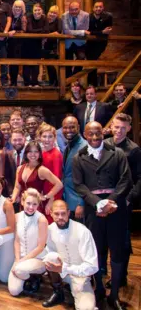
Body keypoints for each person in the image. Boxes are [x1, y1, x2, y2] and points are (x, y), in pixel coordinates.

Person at [72, 121, 132, 310]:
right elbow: (78, 184)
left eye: (98, 133)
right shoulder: (78, 157)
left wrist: (110, 201)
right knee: (95, 250)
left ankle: (114, 294)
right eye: (91, 134)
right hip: (93, 209)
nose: (95, 138)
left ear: (103, 133)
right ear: (85, 134)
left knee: (117, 250)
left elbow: (125, 179)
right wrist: (96, 202)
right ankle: (98, 290)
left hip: (116, 208)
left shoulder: (117, 153)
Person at [105, 114, 141, 290]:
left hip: (123, 201)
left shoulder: (134, 150)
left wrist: (129, 199)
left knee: (122, 241)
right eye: (116, 127)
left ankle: (121, 276)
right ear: (111, 126)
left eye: (122, 128)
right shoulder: (105, 144)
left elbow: (139, 178)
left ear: (128, 128)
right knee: (105, 237)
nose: (118, 131)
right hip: (105, 200)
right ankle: (103, 271)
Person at [42, 200, 98, 309]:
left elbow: (93, 266)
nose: (60, 217)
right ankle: (58, 291)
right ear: (51, 213)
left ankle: (76, 289)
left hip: (81, 276)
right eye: (57, 214)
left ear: (68, 213)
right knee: (50, 257)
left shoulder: (82, 231)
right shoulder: (50, 229)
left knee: (87, 308)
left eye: (63, 213)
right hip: (61, 274)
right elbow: (48, 251)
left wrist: (66, 269)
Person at [8, 188, 48, 296]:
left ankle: (35, 277)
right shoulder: (17, 216)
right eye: (28, 203)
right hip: (20, 258)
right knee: (14, 291)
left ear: (38, 205)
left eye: (34, 204)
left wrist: (21, 262)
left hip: (37, 258)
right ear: (22, 201)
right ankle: (27, 277)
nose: (31, 207)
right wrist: (17, 260)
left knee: (20, 270)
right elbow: (16, 240)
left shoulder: (42, 219)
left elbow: (40, 247)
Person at [11, 141, 63, 219]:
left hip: (37, 206)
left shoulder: (42, 170)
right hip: (23, 204)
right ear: (26, 153)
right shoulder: (19, 168)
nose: (33, 154)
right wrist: (13, 199)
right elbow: (17, 187)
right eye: (30, 152)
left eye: (36, 152)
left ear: (39, 154)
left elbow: (59, 184)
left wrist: (46, 197)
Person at [61, 116, 87, 221]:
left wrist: (81, 203)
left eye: (72, 127)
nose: (68, 130)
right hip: (68, 200)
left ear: (78, 127)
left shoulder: (84, 147)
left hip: (77, 202)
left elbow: (87, 178)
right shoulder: (69, 146)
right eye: (65, 128)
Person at [39, 124, 63, 219]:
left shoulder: (56, 154)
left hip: (53, 194)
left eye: (50, 136)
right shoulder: (42, 153)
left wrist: (51, 199)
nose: (47, 139)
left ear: (55, 138)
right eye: (44, 136)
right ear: (40, 138)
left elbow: (57, 179)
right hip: (44, 194)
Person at [87, 0, 113, 86]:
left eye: (100, 7)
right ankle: (92, 84)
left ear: (103, 8)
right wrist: (101, 32)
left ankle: (91, 83)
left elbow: (108, 31)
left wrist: (98, 32)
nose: (98, 8)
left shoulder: (108, 16)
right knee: (91, 62)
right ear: (93, 8)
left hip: (101, 43)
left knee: (93, 61)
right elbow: (89, 31)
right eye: (96, 7)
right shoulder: (88, 17)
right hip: (89, 43)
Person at [62, 2, 90, 78]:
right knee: (67, 62)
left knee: (81, 58)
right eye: (71, 10)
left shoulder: (86, 15)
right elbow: (66, 31)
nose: (74, 11)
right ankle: (68, 81)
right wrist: (82, 32)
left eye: (76, 9)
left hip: (80, 42)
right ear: (69, 9)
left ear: (79, 8)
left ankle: (74, 78)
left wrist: (83, 32)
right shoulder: (64, 16)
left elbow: (86, 28)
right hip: (68, 43)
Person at [24, 3, 48, 87]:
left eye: (39, 10)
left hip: (37, 44)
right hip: (27, 44)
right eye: (35, 10)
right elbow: (30, 30)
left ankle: (35, 82)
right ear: (32, 11)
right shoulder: (29, 17)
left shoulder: (45, 18)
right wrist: (41, 30)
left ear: (42, 11)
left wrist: (38, 31)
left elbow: (46, 30)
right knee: (27, 64)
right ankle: (27, 83)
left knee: (36, 64)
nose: (37, 12)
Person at [7, 0, 27, 87]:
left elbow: (24, 30)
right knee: (11, 63)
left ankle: (16, 82)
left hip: (19, 44)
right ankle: (12, 81)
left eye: (19, 7)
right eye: (16, 7)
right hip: (10, 42)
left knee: (16, 62)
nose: (17, 8)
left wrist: (15, 31)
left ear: (22, 8)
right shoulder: (10, 16)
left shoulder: (23, 17)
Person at [43, 5, 62, 87]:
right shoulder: (44, 19)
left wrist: (46, 35)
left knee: (51, 64)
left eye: (54, 13)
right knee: (47, 64)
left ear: (57, 14)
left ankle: (55, 82)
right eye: (51, 12)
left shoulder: (58, 20)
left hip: (54, 46)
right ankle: (51, 82)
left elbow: (58, 32)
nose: (52, 14)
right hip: (44, 45)